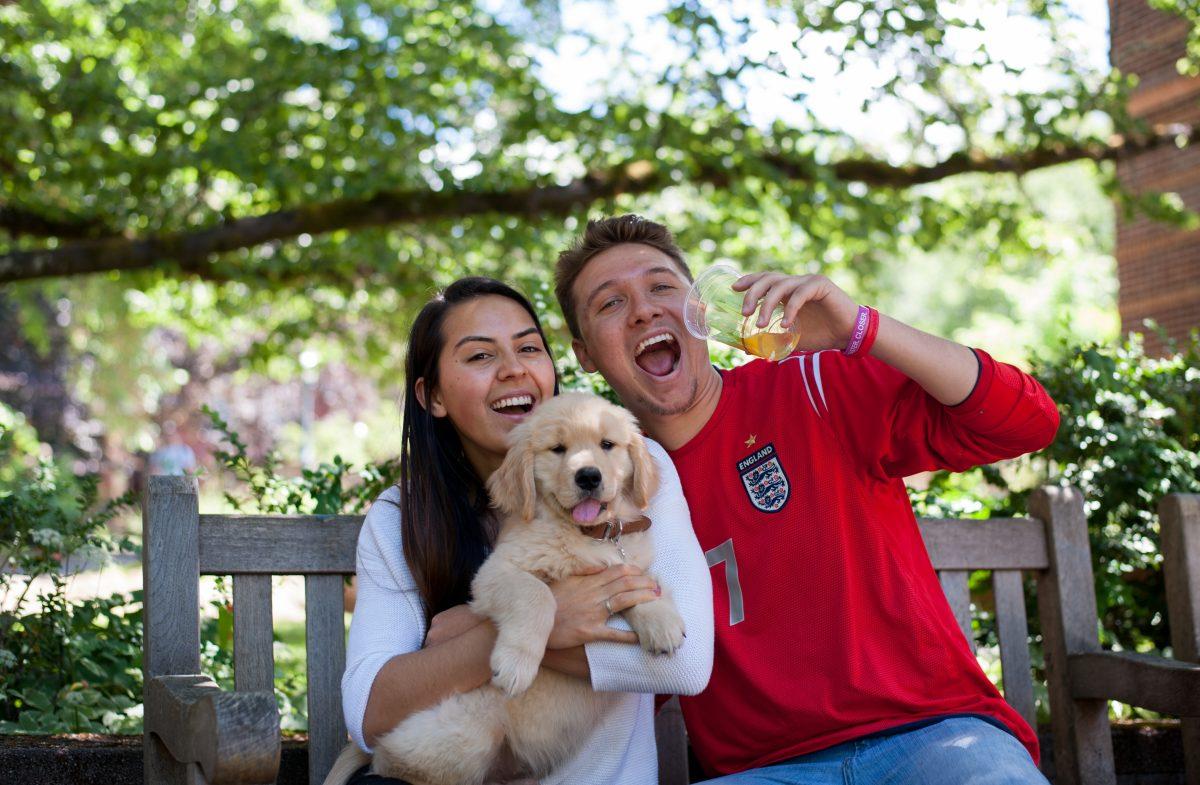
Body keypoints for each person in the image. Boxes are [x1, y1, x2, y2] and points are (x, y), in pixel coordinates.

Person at [553, 215, 1060, 783]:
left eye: (662, 286)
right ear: (585, 354)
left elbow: (1028, 424)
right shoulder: (606, 495)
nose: (644, 310)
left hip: (937, 736)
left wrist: (859, 330)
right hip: (761, 771)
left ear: (698, 308)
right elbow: (635, 672)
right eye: (610, 304)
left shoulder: (813, 384)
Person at [340, 277, 713, 785]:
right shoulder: (401, 517)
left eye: (529, 348)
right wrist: (515, 627)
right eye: (479, 357)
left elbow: (683, 662)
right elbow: (369, 714)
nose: (514, 368)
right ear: (432, 397)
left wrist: (473, 634)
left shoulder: (632, 466)